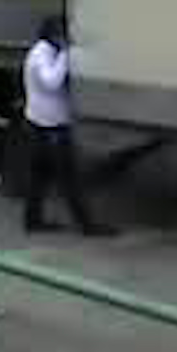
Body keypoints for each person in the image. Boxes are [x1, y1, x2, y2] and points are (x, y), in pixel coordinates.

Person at [21, 16, 114, 237]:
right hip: (50, 127)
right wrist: (65, 54)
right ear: (55, 35)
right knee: (69, 178)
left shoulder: (41, 51)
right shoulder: (41, 55)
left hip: (40, 123)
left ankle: (32, 220)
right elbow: (51, 82)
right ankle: (88, 226)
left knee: (39, 176)